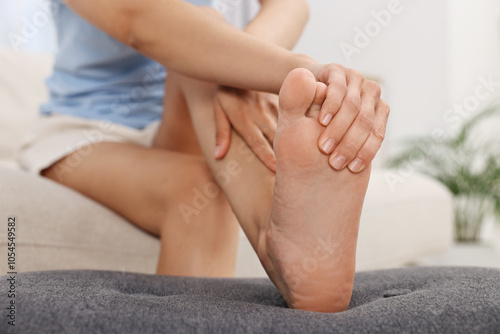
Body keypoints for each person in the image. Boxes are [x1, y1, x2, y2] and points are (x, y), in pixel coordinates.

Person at [18, 0, 390, 313]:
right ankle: (277, 240)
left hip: (188, 112)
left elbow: (290, 4)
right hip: (82, 131)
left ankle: (287, 242)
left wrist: (237, 72)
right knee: (199, 189)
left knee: (209, 53)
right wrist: (295, 70)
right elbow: (139, 19)